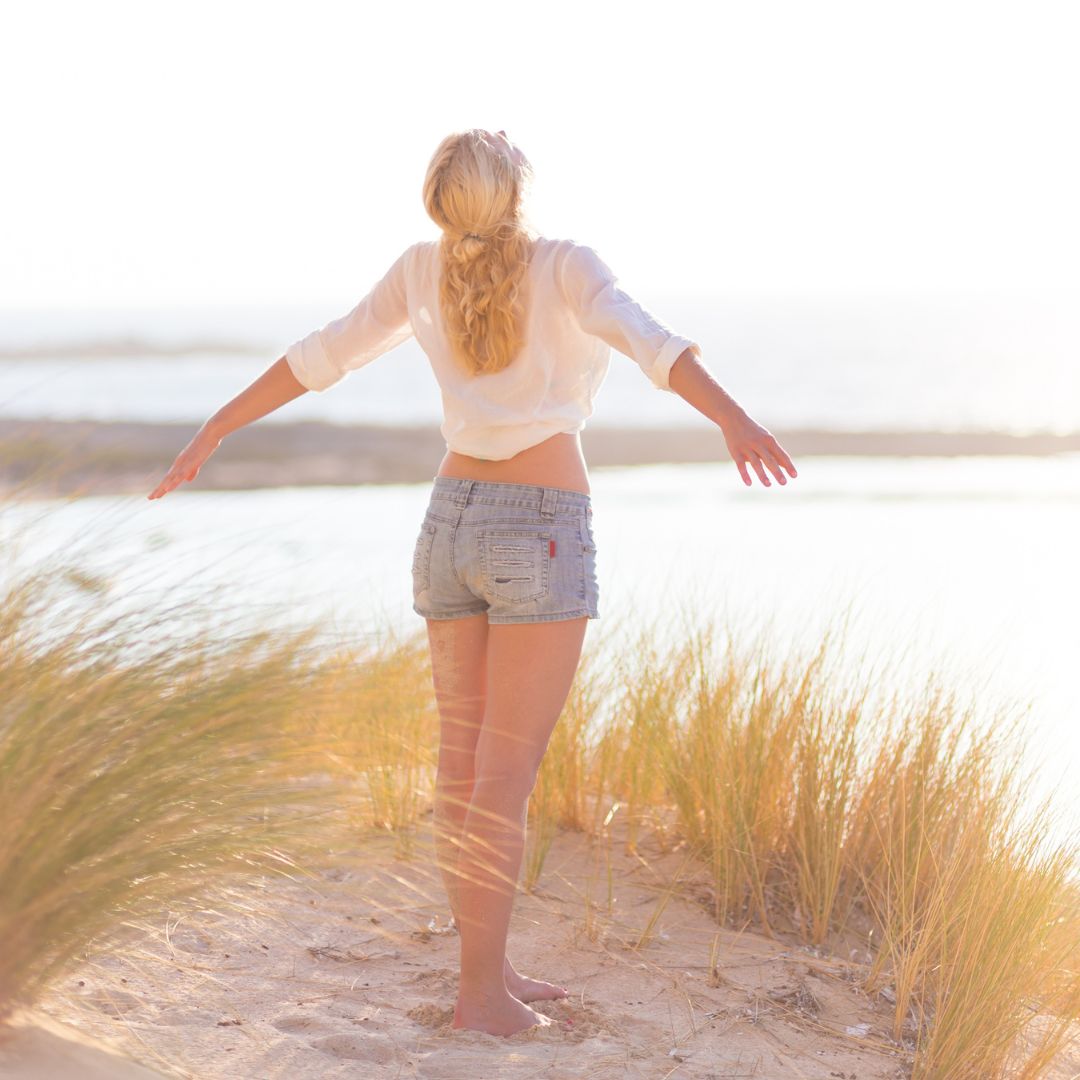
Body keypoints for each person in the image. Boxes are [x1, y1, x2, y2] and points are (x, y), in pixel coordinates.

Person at [148, 127, 797, 1036]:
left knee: (463, 775)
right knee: (501, 782)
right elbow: (654, 346)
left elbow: (317, 356)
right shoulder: (567, 266)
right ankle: (480, 997)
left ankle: (485, 974)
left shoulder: (420, 270)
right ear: (516, 192)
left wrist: (215, 427)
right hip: (537, 532)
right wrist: (736, 420)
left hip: (448, 524)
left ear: (441, 202)